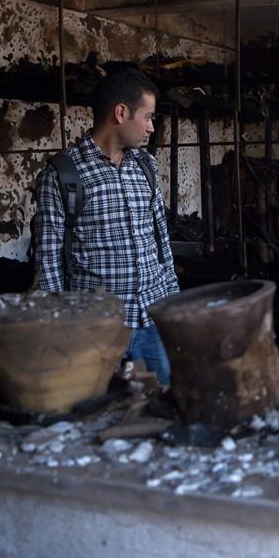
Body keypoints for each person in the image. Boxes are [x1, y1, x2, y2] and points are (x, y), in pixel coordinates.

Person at [33, 69, 179, 383]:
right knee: (102, 412)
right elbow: (48, 264)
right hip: (95, 329)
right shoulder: (62, 175)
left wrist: (175, 308)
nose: (152, 127)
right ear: (121, 112)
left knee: (161, 406)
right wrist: (60, 331)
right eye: (148, 117)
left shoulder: (146, 166)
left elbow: (161, 244)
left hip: (153, 320)